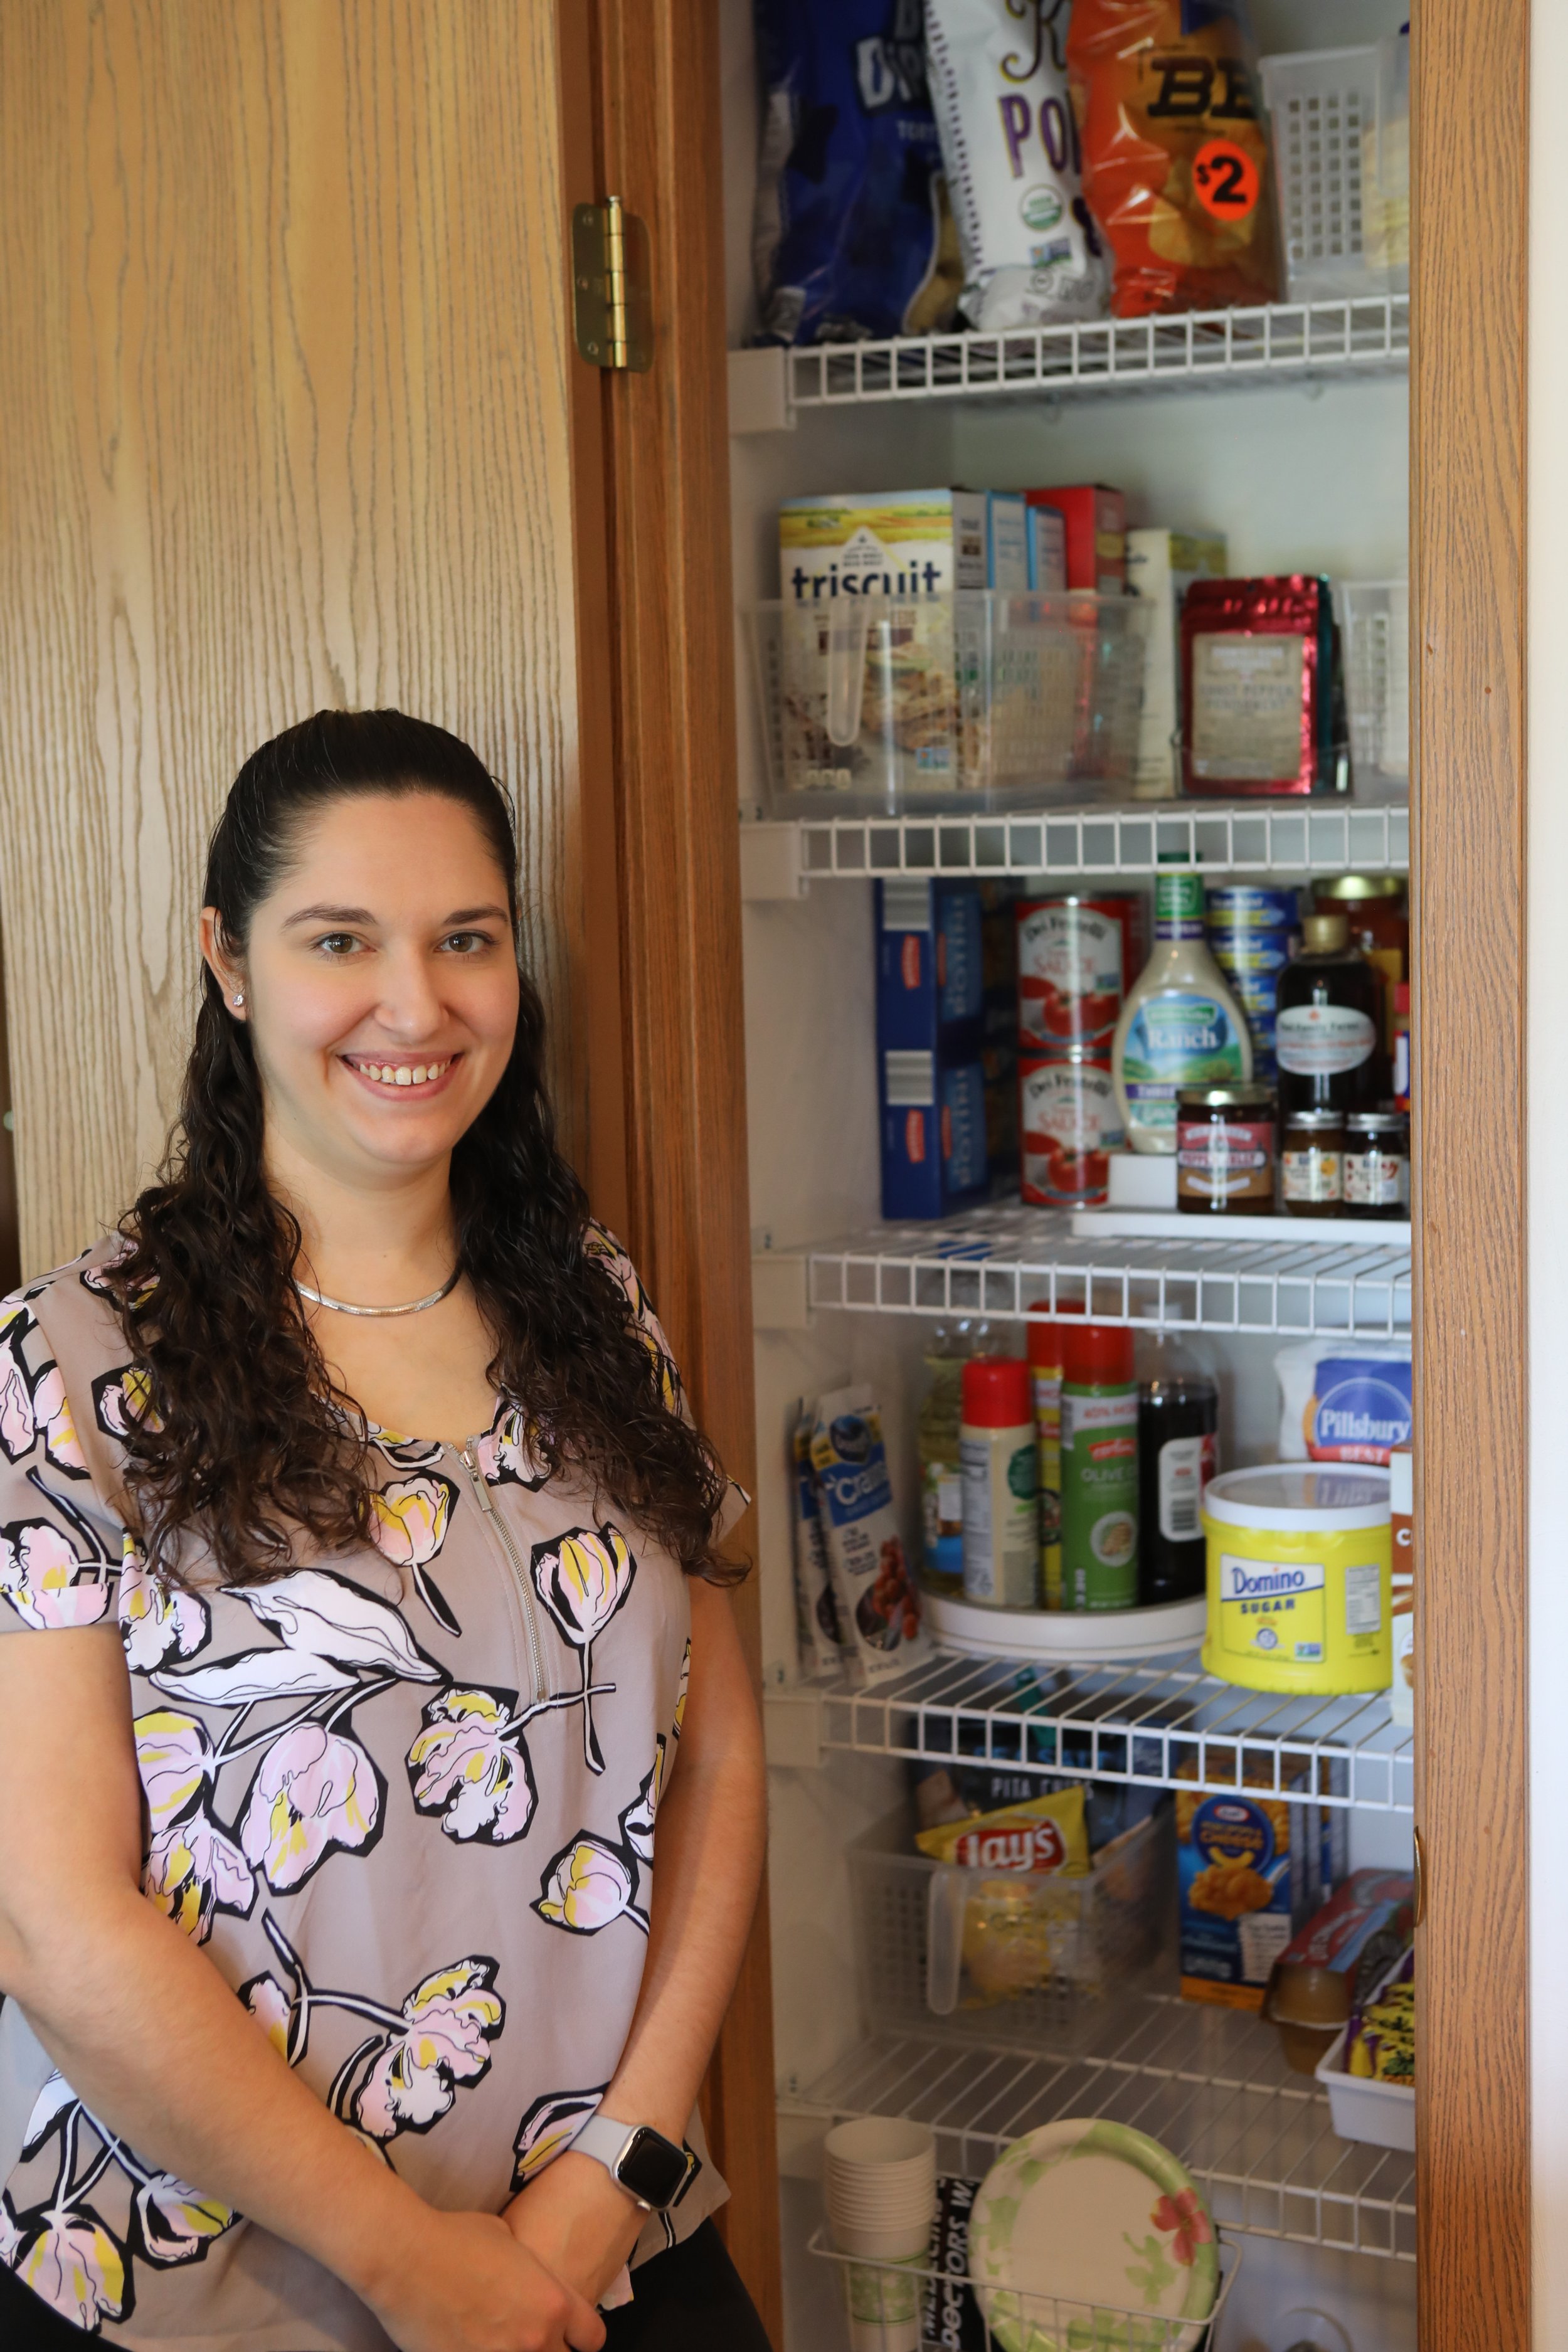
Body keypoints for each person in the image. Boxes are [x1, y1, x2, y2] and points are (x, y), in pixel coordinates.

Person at [0, 711, 770, 2352]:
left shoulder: (593, 1305)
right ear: (228, 962)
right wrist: (415, 2267)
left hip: (592, 2245)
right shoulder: (67, 1365)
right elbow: (52, 1924)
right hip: (202, 2288)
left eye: (465, 941)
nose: (415, 1005)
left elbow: (713, 1752)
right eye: (339, 940)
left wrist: (610, 2174)